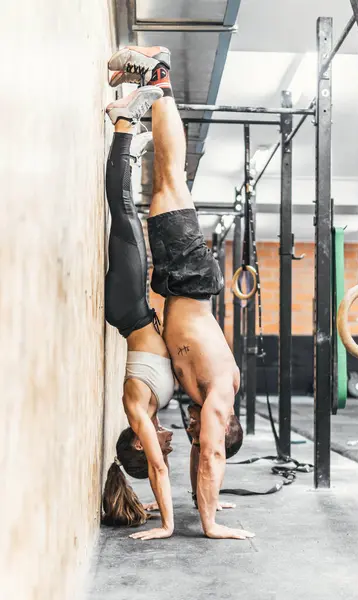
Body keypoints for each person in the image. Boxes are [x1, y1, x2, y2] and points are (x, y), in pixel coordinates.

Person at [108, 46, 255, 540]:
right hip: (191, 280)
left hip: (183, 287)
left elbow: (203, 459)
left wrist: (208, 500)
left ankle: (157, 88)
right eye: (200, 433)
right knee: (170, 180)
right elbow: (212, 453)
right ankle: (159, 73)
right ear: (220, 425)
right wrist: (208, 523)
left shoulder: (210, 401)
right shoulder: (218, 397)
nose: (191, 434)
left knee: (170, 183)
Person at [101, 85, 176, 541]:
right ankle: (128, 137)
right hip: (137, 308)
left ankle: (123, 124)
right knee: (127, 216)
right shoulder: (149, 409)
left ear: (137, 443)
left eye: (152, 448)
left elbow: (158, 467)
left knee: (124, 210)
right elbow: (159, 468)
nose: (166, 445)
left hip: (129, 308)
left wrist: (167, 525)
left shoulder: (137, 413)